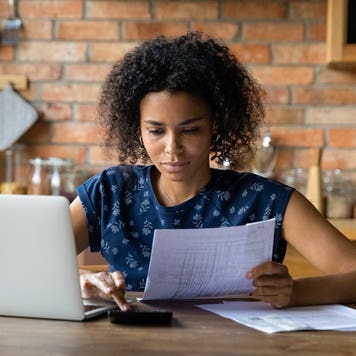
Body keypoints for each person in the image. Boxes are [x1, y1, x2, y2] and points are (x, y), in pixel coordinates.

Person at [70, 32, 356, 311]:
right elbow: (27, 263)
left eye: (191, 130)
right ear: (138, 127)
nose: (172, 147)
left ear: (215, 125)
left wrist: (296, 292)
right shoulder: (109, 192)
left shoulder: (265, 200)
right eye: (156, 131)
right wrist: (80, 279)